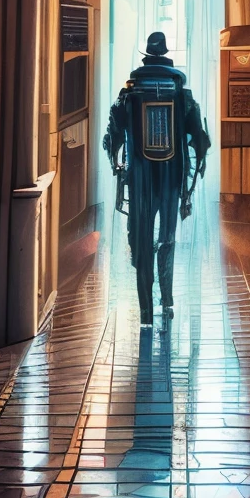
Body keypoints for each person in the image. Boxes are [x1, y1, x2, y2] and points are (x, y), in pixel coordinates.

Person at [104, 32, 211, 326]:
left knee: (140, 235)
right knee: (167, 237)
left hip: (139, 176)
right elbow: (200, 142)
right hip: (172, 176)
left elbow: (112, 134)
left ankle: (145, 310)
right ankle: (167, 298)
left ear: (146, 56)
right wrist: (191, 184)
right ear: (165, 55)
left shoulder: (129, 92)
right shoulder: (181, 92)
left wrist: (116, 163)